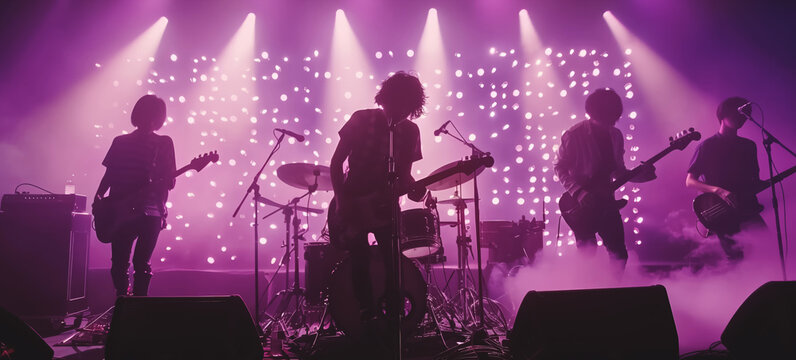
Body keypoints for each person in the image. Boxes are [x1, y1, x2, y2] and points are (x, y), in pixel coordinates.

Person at [329, 71, 426, 345]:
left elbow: (404, 175)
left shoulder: (410, 131)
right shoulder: (362, 119)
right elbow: (336, 163)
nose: (404, 111)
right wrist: (342, 202)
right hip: (353, 200)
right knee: (358, 260)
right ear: (389, 97)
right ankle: (365, 316)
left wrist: (417, 188)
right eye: (401, 101)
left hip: (385, 206)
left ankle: (392, 317)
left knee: (393, 262)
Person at [554, 88, 655, 269]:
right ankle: (585, 290)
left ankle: (613, 292)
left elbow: (619, 172)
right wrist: (579, 193)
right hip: (580, 203)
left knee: (619, 254)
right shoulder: (573, 134)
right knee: (588, 252)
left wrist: (645, 174)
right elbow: (559, 167)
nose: (611, 121)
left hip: (607, 202)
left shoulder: (615, 135)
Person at [94, 94, 176, 296]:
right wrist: (98, 198)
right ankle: (125, 303)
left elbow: (170, 182)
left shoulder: (164, 143)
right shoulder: (120, 141)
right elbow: (110, 174)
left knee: (138, 263)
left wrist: (164, 179)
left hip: (151, 211)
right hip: (121, 209)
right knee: (122, 264)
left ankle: (137, 308)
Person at [686, 96, 764, 261]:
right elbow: (690, 181)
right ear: (723, 115)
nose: (741, 118)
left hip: (747, 207)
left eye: (744, 116)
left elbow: (754, 181)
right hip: (721, 212)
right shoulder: (707, 146)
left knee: (767, 247)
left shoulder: (749, 146)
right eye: (736, 114)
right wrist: (718, 191)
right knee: (736, 258)